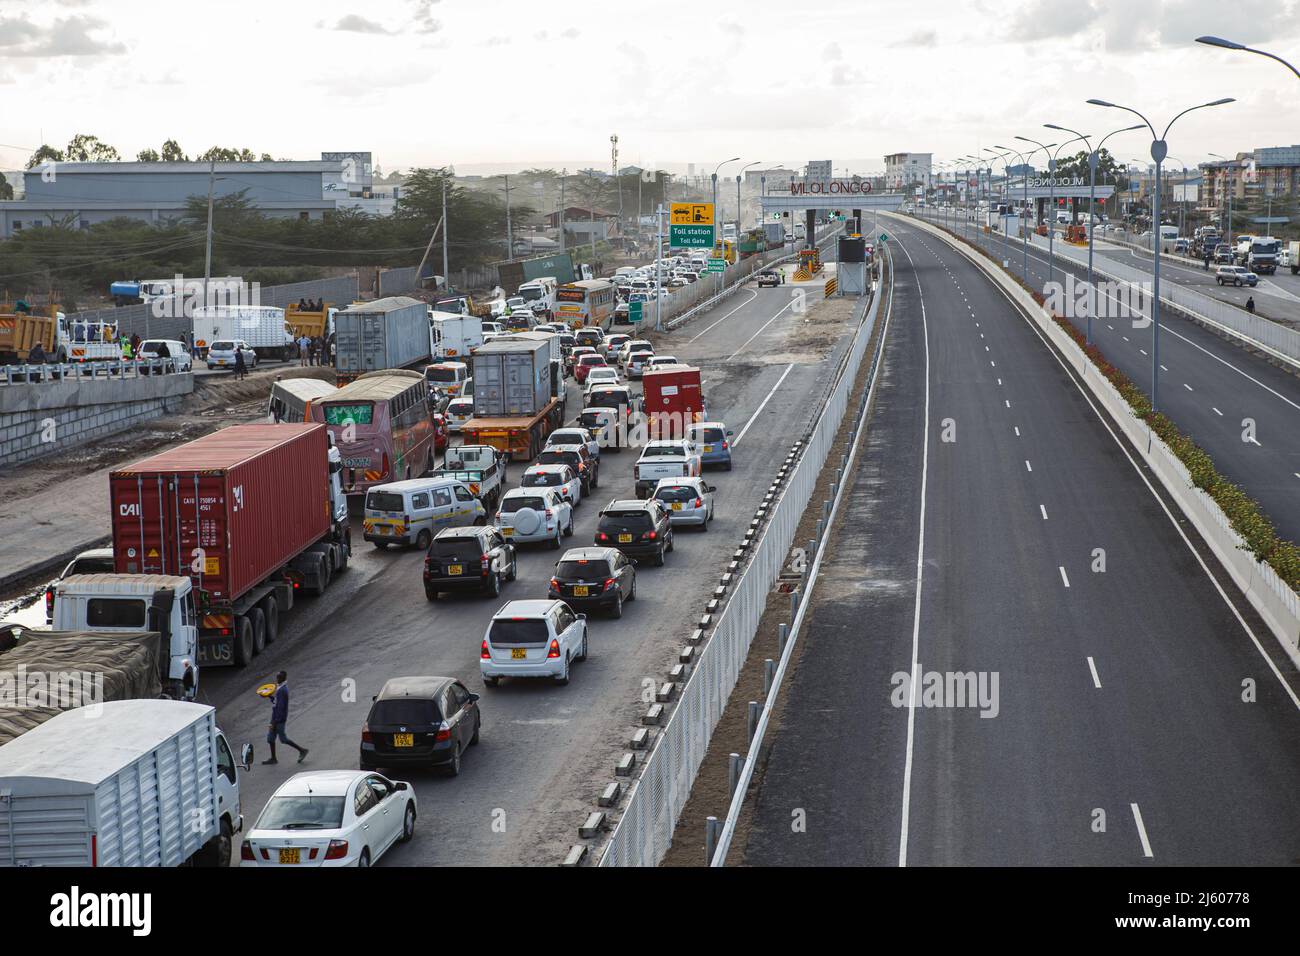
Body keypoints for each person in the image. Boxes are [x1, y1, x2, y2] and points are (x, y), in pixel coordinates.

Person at [262, 670, 308, 765]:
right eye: (277, 677)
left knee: (283, 739)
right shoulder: (281, 688)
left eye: (279, 677)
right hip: (275, 717)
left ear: (283, 678)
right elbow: (277, 702)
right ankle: (273, 758)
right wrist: (270, 696)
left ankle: (302, 750)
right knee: (270, 738)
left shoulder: (282, 690)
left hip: (279, 719)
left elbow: (280, 708)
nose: (277, 679)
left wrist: (274, 723)